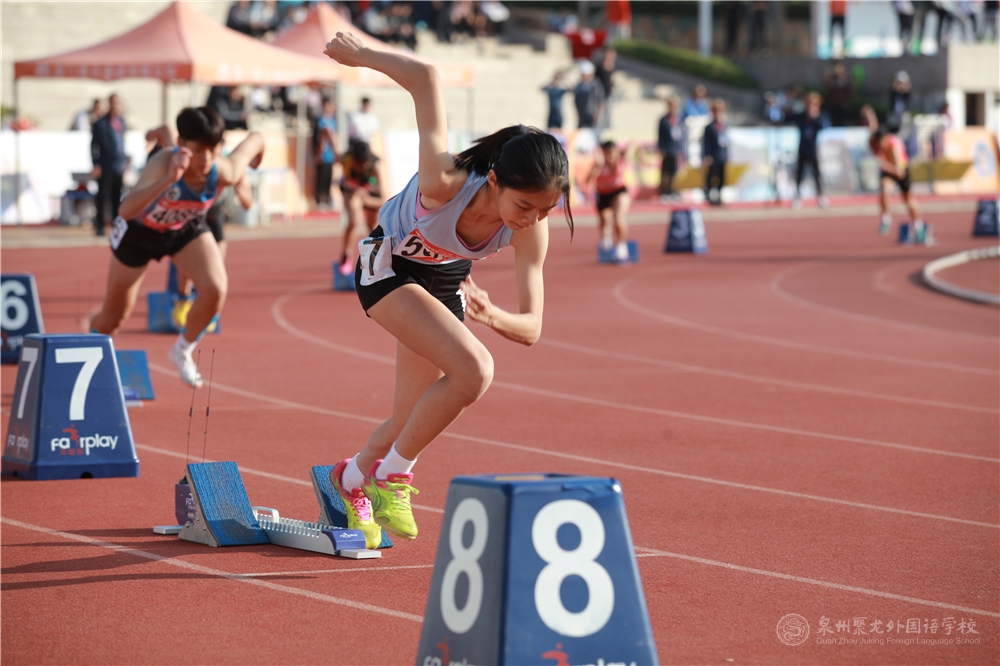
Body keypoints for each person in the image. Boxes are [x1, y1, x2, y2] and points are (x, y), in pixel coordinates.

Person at [321, 31, 573, 548]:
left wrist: (489, 313)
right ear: (497, 181)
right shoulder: (446, 181)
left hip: (444, 279)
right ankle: (395, 477)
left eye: (547, 211)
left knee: (409, 413)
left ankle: (351, 478)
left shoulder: (534, 228)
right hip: (387, 265)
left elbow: (532, 328)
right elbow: (425, 78)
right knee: (475, 369)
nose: (534, 221)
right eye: (526, 208)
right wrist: (360, 57)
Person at [89, 106, 263, 388]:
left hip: (183, 228)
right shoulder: (162, 162)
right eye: (198, 150)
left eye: (212, 149)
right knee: (113, 318)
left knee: (215, 290)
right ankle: (88, 346)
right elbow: (127, 209)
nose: (206, 158)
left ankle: (181, 351)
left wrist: (256, 160)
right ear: (182, 145)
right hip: (139, 234)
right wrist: (170, 178)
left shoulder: (225, 170)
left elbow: (256, 138)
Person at [861, 105, 925, 239]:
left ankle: (918, 227)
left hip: (900, 169)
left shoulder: (893, 146)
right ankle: (885, 219)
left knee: (909, 200)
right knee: (884, 188)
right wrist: (869, 115)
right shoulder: (873, 141)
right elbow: (873, 127)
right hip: (888, 170)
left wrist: (883, 164)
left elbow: (899, 172)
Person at [336, 140, 387, 276]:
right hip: (351, 193)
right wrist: (329, 136)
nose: (360, 169)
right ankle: (346, 256)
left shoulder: (376, 166)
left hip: (370, 195)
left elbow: (384, 199)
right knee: (354, 221)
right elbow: (336, 153)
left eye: (363, 165)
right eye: (357, 165)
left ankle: (374, 261)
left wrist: (367, 199)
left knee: (373, 228)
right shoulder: (347, 159)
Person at [90, 93, 128, 237]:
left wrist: (125, 162)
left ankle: (115, 225)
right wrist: (96, 164)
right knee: (103, 197)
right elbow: (94, 145)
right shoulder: (101, 123)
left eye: (118, 103)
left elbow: (122, 144)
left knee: (117, 197)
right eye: (113, 103)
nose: (116, 106)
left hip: (118, 166)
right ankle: (99, 226)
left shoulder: (121, 122)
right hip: (105, 166)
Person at [590, 140, 631, 262]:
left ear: (616, 153)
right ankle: (606, 237)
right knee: (604, 220)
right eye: (606, 153)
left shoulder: (621, 161)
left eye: (612, 153)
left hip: (619, 192)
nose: (609, 157)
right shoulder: (598, 165)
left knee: (618, 219)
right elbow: (588, 181)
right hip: (602, 194)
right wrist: (597, 167)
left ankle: (621, 245)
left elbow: (633, 144)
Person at [791, 93, 830, 209]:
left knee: (816, 174)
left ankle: (820, 197)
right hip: (802, 149)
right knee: (800, 174)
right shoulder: (802, 116)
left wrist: (815, 117)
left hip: (813, 150)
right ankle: (797, 196)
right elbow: (788, 118)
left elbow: (825, 126)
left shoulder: (819, 117)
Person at [701, 99, 729, 206]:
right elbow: (706, 143)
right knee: (712, 176)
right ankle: (710, 195)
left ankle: (719, 195)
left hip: (722, 155)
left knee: (722, 176)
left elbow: (726, 141)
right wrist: (707, 155)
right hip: (713, 155)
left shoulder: (723, 125)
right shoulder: (709, 127)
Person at [314, 97, 339, 210]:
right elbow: (318, 138)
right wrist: (318, 152)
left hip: (330, 155)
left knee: (328, 178)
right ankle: (319, 200)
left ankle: (327, 199)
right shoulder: (319, 120)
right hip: (322, 155)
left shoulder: (333, 120)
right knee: (321, 178)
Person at [657, 97, 684, 199]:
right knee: (665, 172)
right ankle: (664, 191)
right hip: (667, 150)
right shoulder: (663, 120)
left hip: (675, 150)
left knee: (674, 172)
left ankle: (673, 190)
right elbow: (660, 136)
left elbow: (680, 137)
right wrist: (661, 149)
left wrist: (680, 149)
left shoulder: (678, 120)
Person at [573, 60, 604, 130]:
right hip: (582, 115)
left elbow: (600, 100)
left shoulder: (596, 85)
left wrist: (596, 114)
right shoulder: (579, 86)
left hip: (592, 115)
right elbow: (576, 101)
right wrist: (579, 115)